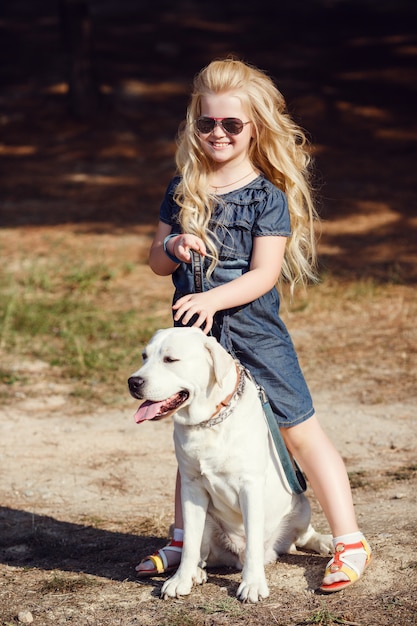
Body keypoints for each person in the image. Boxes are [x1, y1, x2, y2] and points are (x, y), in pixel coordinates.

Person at [135, 58, 372, 593]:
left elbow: (264, 274)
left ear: (255, 128)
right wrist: (172, 245)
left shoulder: (267, 195)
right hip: (198, 341)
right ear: (194, 124)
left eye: (231, 124)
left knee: (298, 429)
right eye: (207, 123)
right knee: (191, 430)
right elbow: (155, 260)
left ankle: (350, 540)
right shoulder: (183, 186)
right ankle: (183, 542)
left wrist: (213, 298)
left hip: (255, 336)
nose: (217, 133)